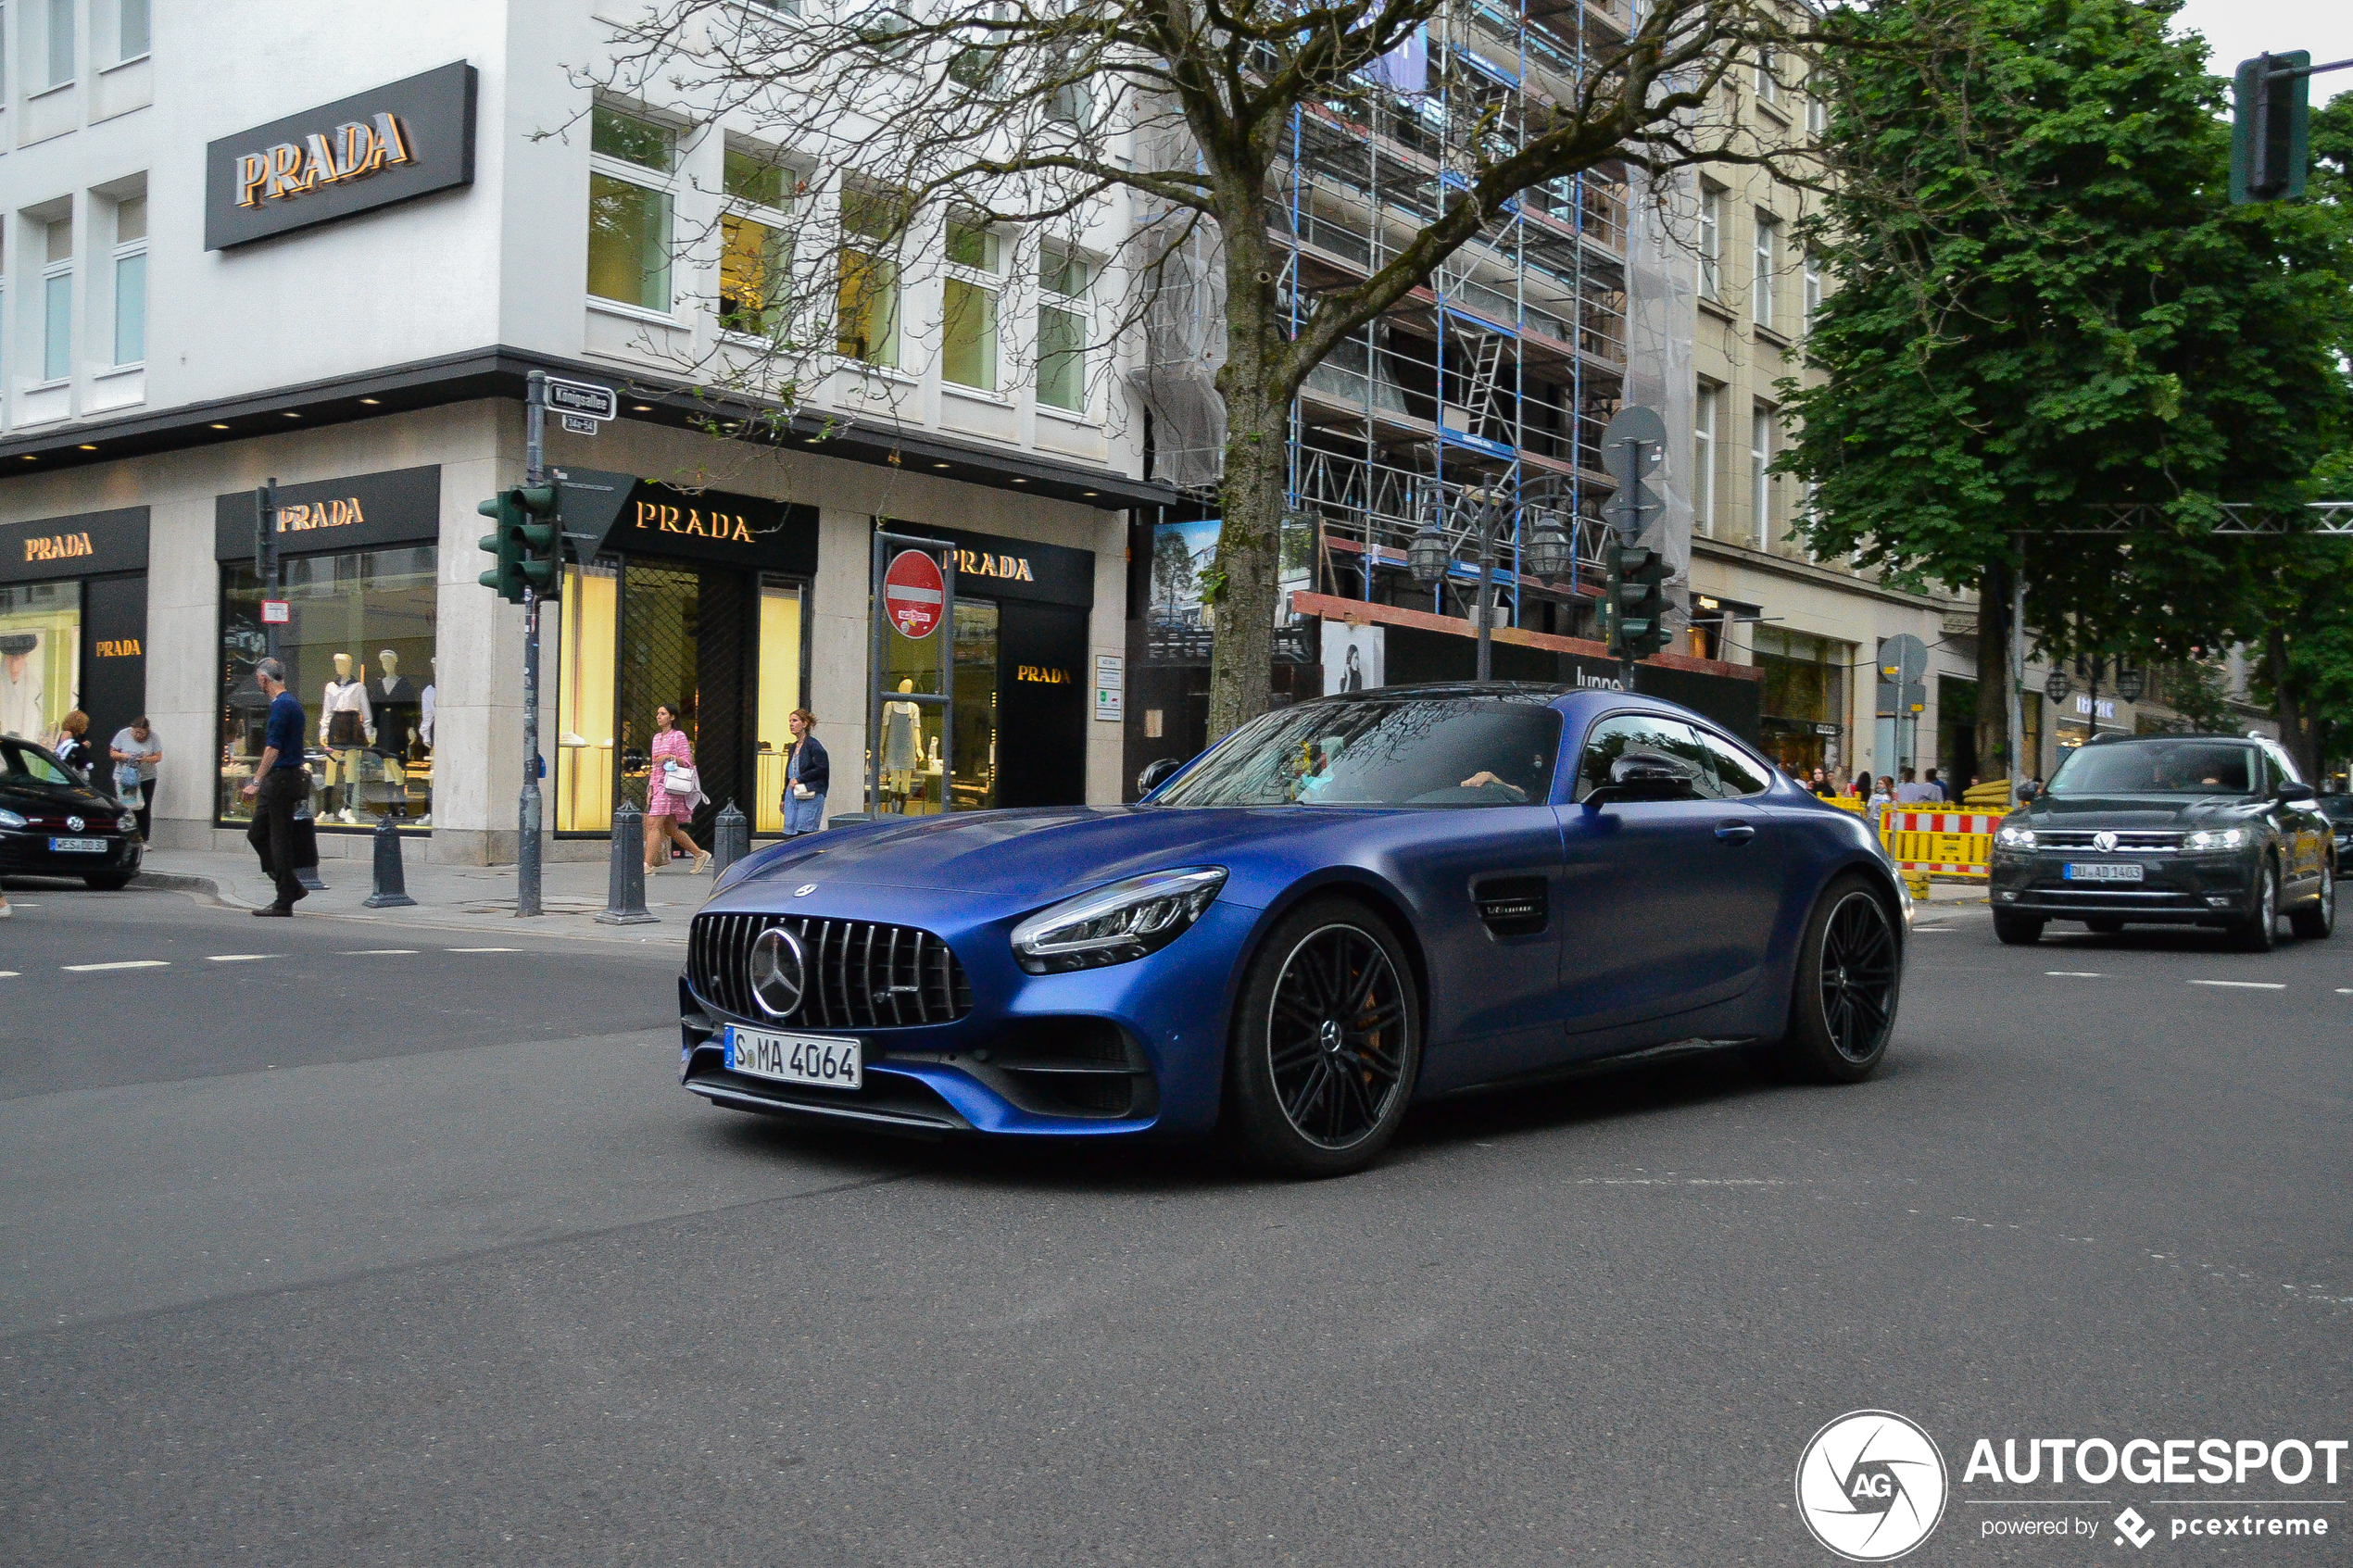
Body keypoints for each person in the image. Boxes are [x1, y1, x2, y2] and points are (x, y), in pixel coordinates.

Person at [239, 659, 310, 915]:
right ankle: (291, 886)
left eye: (258, 679)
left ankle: (284, 899)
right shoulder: (290, 703)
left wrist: (255, 781)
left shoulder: (282, 706)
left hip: (280, 779)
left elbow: (272, 747)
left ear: (263, 680)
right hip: (282, 779)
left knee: (278, 839)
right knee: (257, 833)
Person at [645, 702, 711, 874]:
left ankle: (647, 864)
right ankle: (699, 854)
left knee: (654, 823)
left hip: (670, 786)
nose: (659, 716)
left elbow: (687, 762)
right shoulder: (656, 738)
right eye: (658, 713)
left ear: (672, 717)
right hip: (658, 785)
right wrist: (650, 789)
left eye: (663, 713)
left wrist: (670, 757)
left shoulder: (678, 736)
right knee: (670, 828)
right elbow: (654, 766)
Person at [110, 716, 163, 840]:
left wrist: (145, 759)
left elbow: (158, 757)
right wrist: (125, 756)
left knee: (144, 807)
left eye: (141, 732)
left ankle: (143, 838)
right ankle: (127, 836)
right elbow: (113, 753)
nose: (138, 735)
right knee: (127, 806)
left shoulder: (153, 737)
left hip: (146, 776)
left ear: (147, 731)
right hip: (125, 776)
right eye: (135, 731)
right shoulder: (123, 734)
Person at [782, 709, 828, 836]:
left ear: (805, 723)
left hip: (810, 792)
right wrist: (783, 799)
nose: (791, 724)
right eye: (790, 721)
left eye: (795, 721)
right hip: (792, 793)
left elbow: (821, 768)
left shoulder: (813, 745)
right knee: (790, 829)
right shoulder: (793, 747)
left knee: (805, 829)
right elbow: (789, 773)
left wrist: (800, 779)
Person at [51, 710, 94, 777]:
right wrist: (81, 746)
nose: (86, 727)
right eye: (84, 724)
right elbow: (64, 749)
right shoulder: (67, 734)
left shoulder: (72, 735)